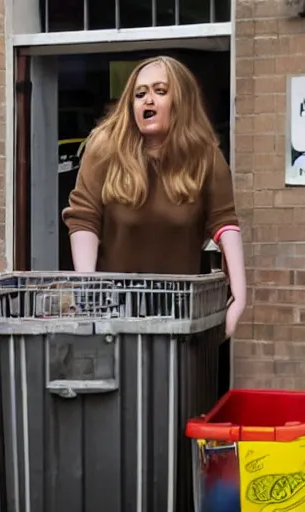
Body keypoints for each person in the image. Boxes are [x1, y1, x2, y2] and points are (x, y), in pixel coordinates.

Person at [62, 56, 246, 337]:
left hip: (178, 312)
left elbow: (225, 223)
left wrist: (240, 296)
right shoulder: (105, 147)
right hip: (114, 310)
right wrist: (89, 288)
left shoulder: (205, 157)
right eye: (140, 93)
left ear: (180, 101)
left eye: (160, 91)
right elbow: (84, 218)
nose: (148, 100)